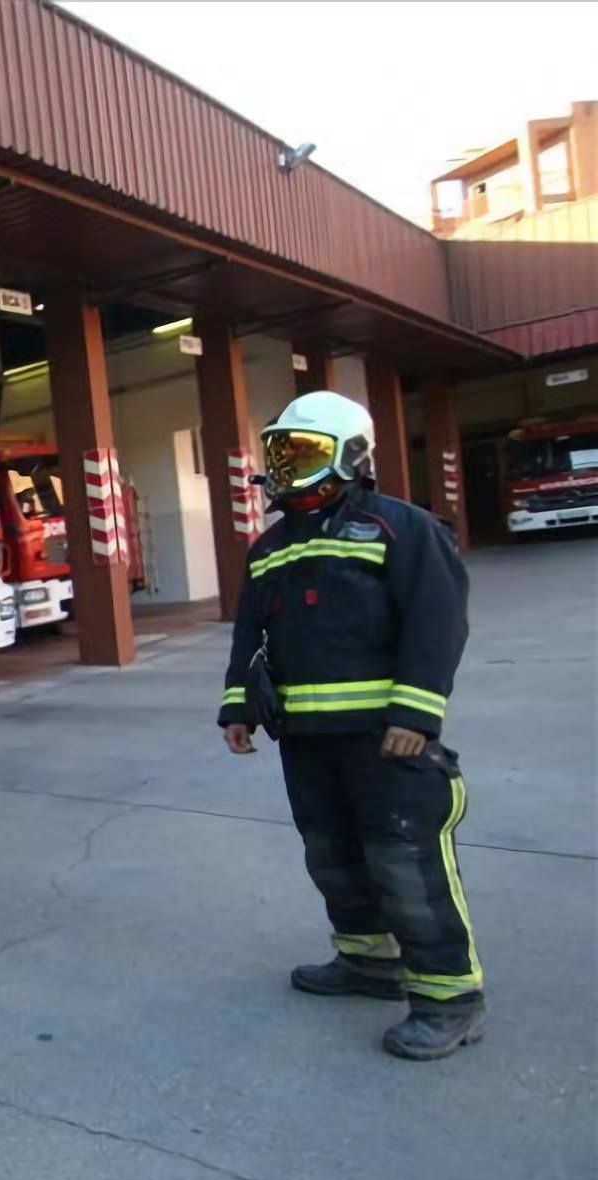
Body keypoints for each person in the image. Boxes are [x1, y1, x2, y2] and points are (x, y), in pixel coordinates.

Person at [219, 390, 483, 1061]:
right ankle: (369, 963)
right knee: (332, 856)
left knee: (406, 864)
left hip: (386, 741)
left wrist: (417, 714)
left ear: (352, 456)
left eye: (302, 452)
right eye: (279, 451)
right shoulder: (271, 546)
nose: (285, 465)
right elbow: (250, 633)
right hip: (306, 743)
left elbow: (437, 622)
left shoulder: (402, 528)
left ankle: (449, 999)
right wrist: (237, 707)